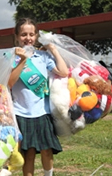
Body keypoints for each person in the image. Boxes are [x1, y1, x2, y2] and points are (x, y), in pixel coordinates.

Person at [8, 18, 68, 176]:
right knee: (28, 155)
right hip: (21, 113)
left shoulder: (42, 56)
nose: (28, 38)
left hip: (42, 113)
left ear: (36, 36)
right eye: (23, 34)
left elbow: (63, 72)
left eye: (31, 34)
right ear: (16, 37)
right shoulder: (10, 57)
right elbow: (10, 82)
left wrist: (53, 50)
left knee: (47, 152)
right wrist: (22, 60)